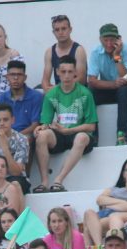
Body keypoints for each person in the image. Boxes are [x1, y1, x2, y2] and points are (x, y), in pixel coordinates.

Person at [34, 56, 97, 193]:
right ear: (57, 72)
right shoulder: (51, 94)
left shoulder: (85, 93)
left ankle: (58, 180)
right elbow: (46, 122)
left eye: (70, 72)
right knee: (42, 136)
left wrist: (68, 131)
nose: (67, 76)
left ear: (76, 73)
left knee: (81, 137)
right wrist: (41, 128)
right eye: (63, 72)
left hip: (79, 135)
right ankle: (44, 182)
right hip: (60, 134)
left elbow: (91, 126)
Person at [88, 23, 127, 146]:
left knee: (124, 90)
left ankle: (122, 135)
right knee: (89, 91)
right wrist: (113, 84)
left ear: (118, 39)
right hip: (112, 87)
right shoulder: (96, 52)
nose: (108, 43)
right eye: (105, 40)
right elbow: (92, 80)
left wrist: (117, 56)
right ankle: (92, 137)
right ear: (100, 39)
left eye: (112, 40)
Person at [42, 13, 89, 92]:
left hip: (77, 92)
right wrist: (47, 90)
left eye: (64, 29)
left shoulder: (79, 50)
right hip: (59, 93)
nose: (60, 32)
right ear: (53, 32)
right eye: (57, 30)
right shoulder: (49, 52)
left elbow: (81, 79)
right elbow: (45, 81)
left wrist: (58, 88)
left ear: (70, 30)